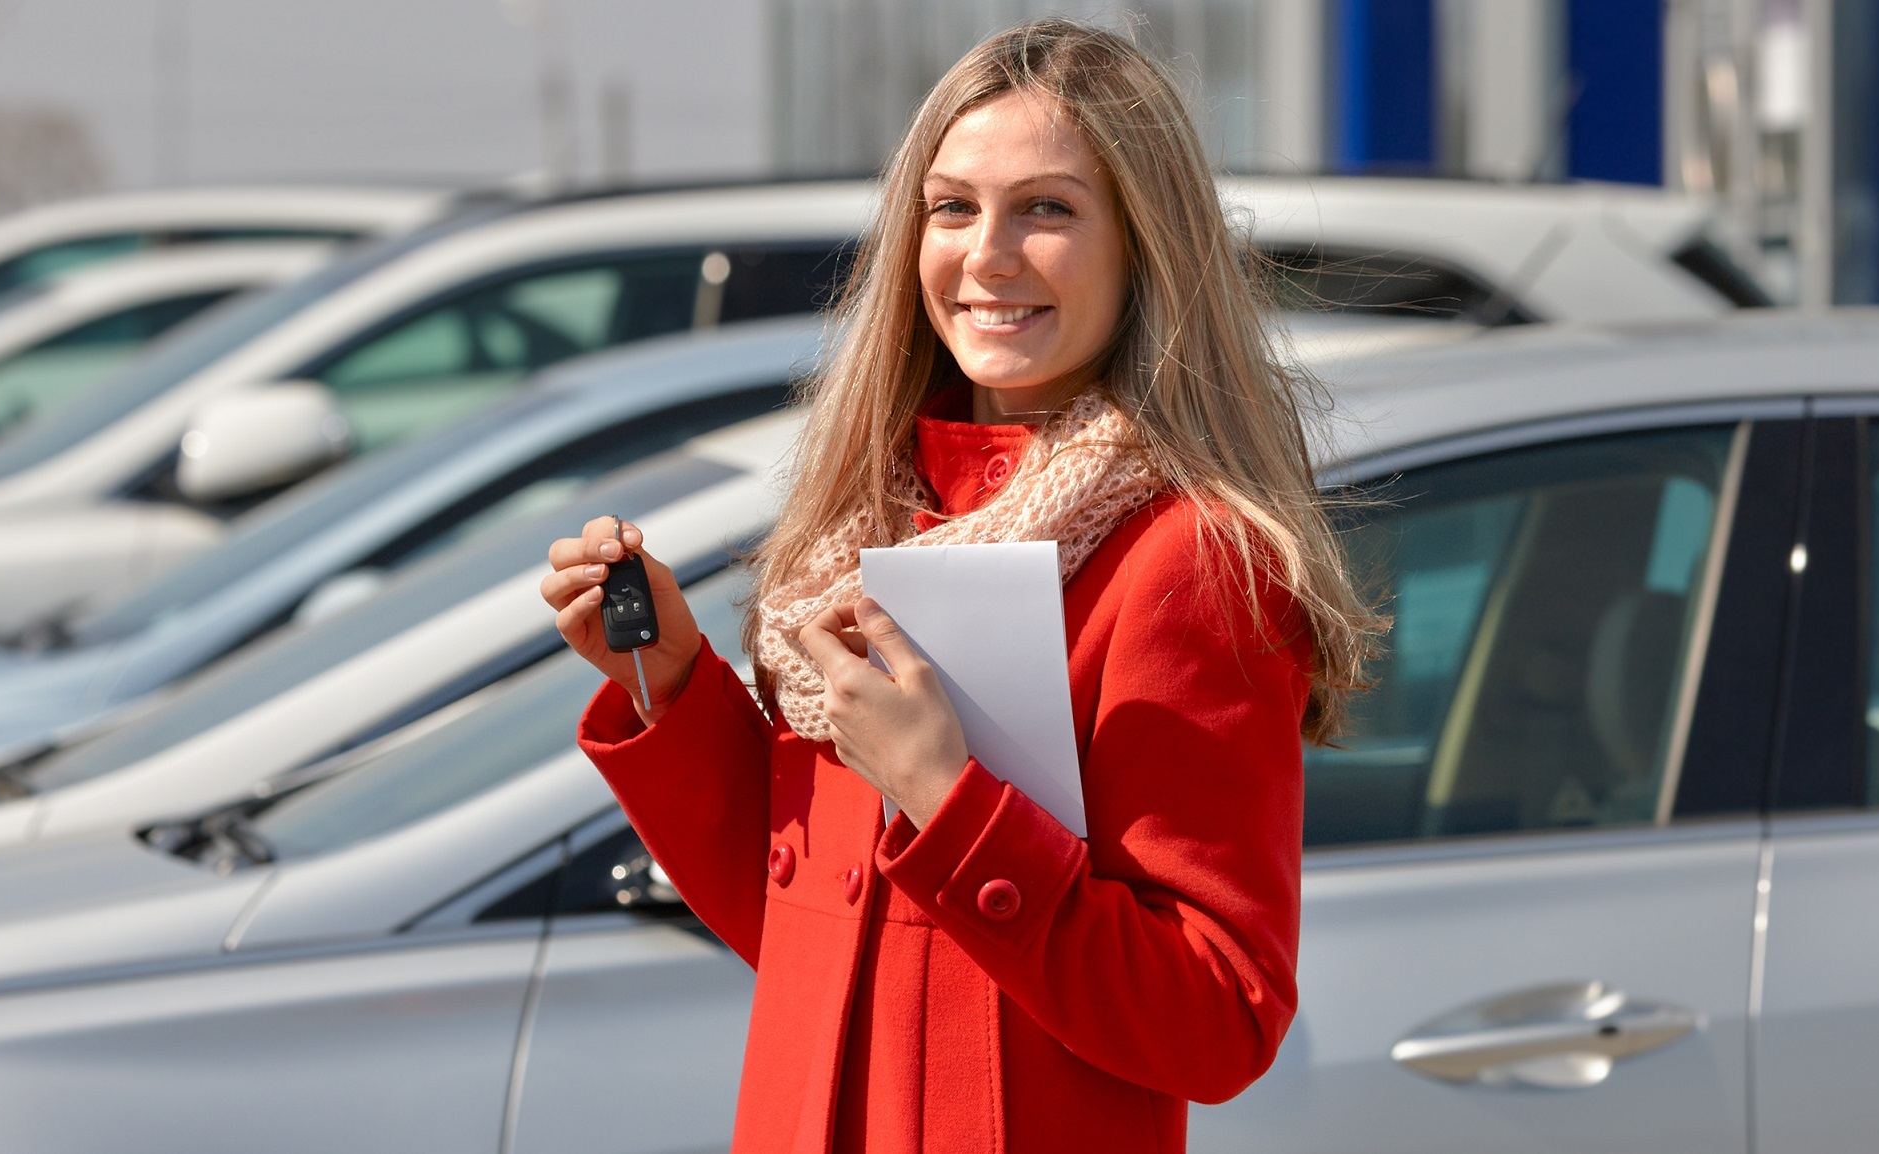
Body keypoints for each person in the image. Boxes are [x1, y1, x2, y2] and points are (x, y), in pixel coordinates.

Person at [540, 18, 1377, 1154]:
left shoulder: (1186, 557)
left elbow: (1219, 1016)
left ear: (1145, 243)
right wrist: (673, 682)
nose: (988, 253)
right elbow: (804, 933)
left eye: (1048, 208)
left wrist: (947, 794)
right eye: (953, 207)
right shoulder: (862, 525)